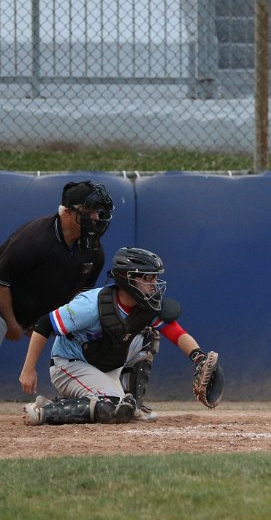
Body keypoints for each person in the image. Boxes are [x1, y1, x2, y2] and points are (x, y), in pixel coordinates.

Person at [18, 247, 218, 426]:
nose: (154, 284)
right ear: (127, 278)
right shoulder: (91, 304)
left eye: (155, 278)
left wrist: (198, 357)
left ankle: (134, 405)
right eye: (147, 278)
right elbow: (44, 324)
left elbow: (176, 332)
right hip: (70, 364)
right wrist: (28, 369)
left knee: (148, 337)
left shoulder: (146, 305)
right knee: (111, 405)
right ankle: (43, 411)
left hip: (105, 363)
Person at [0, 180, 114, 348]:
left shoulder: (94, 250)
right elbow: (1, 282)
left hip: (28, 314)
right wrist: (11, 323)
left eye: (97, 211)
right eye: (88, 211)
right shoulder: (34, 239)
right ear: (67, 212)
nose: (96, 217)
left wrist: (49, 323)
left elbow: (80, 296)